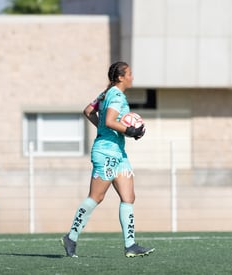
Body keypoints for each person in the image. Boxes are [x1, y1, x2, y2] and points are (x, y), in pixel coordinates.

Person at [60, 61, 155, 258]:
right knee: (96, 197)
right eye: (129, 74)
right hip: (106, 153)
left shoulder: (105, 93)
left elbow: (88, 111)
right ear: (121, 77)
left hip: (118, 153)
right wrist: (129, 130)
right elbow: (111, 121)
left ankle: (130, 245)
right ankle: (71, 237)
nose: (132, 77)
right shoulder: (117, 96)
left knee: (129, 197)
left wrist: (106, 130)